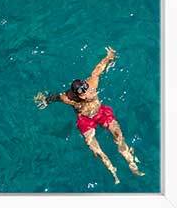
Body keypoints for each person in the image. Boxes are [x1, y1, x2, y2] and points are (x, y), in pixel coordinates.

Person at [35, 47, 144, 184]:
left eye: (86, 90)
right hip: (85, 119)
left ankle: (131, 163)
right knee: (95, 149)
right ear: (76, 95)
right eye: (83, 94)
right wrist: (45, 100)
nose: (87, 94)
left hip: (100, 112)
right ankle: (112, 170)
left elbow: (98, 70)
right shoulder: (67, 98)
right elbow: (55, 97)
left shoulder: (92, 83)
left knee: (117, 134)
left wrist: (109, 57)